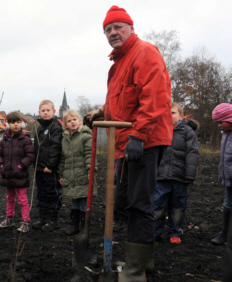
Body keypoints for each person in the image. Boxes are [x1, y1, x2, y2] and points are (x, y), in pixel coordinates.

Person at [85, 6, 173, 281]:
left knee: (138, 203)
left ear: (131, 28)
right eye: (107, 30)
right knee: (125, 202)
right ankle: (141, 260)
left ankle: (136, 270)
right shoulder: (119, 63)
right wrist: (101, 113)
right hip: (124, 141)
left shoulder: (144, 52)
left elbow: (155, 97)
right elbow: (120, 102)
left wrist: (138, 135)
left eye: (117, 27)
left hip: (143, 140)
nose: (112, 33)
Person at [153, 103, 199, 244]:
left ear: (181, 115)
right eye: (166, 112)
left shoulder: (187, 131)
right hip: (160, 176)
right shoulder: (158, 130)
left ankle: (175, 232)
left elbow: (192, 154)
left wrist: (189, 175)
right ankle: (154, 232)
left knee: (178, 207)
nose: (169, 115)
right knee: (157, 206)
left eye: (173, 112)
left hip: (179, 177)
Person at [0, 112, 35, 233]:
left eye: (18, 122)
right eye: (13, 122)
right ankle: (9, 218)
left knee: (22, 199)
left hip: (20, 174)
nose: (16, 125)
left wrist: (21, 166)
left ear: (21, 123)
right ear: (8, 124)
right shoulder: (4, 140)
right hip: (7, 174)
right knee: (10, 197)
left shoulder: (25, 139)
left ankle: (25, 221)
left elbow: (30, 155)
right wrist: (1, 165)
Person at [58, 109, 92, 236]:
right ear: (65, 124)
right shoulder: (65, 139)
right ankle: (74, 224)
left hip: (83, 173)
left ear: (79, 121)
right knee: (74, 199)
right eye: (69, 121)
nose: (72, 122)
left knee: (83, 199)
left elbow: (90, 155)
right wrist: (61, 174)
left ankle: (84, 225)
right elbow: (62, 158)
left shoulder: (86, 136)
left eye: (74, 119)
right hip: (70, 175)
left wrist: (91, 171)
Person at [32, 100, 63, 232]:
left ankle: (53, 220)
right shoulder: (39, 127)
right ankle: (43, 218)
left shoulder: (56, 127)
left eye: (48, 110)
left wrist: (50, 165)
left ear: (53, 111)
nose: (45, 113)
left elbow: (56, 148)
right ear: (39, 112)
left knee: (52, 192)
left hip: (50, 169)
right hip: (39, 168)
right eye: (43, 111)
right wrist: (36, 165)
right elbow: (36, 147)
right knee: (41, 193)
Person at [211, 103, 232, 245]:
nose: (219, 125)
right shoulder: (226, 134)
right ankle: (225, 234)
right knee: (228, 204)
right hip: (229, 177)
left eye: (221, 121)